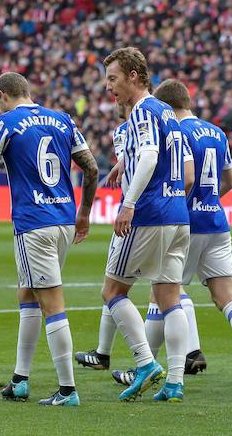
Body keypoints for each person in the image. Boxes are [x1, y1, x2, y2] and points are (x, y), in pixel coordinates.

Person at [0, 72, 98, 407]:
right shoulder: (63, 119)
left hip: (33, 223)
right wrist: (84, 212)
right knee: (27, 293)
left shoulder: (4, 123)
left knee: (51, 303)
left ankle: (68, 390)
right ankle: (20, 379)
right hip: (64, 220)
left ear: (2, 95)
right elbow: (92, 168)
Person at [155, 78, 232, 391]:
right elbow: (228, 183)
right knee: (227, 298)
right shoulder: (217, 133)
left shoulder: (175, 131)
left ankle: (156, 365)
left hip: (185, 224)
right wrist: (208, 203)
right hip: (216, 222)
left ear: (166, 107)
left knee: (168, 292)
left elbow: (186, 179)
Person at [101, 47, 194, 403]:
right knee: (170, 299)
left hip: (150, 214)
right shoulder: (168, 113)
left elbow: (151, 155)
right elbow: (185, 172)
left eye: (113, 78)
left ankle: (144, 363)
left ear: (134, 77)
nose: (109, 86)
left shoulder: (141, 111)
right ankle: (174, 382)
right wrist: (125, 162)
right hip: (179, 216)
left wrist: (129, 204)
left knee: (112, 292)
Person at [75, 103, 130, 372]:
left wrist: (121, 164)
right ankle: (187, 355)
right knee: (168, 292)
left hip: (135, 216)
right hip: (173, 212)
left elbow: (133, 167)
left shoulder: (124, 131)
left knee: (112, 288)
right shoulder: (169, 126)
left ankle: (138, 360)